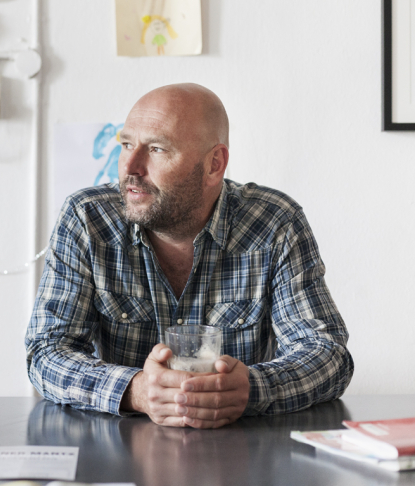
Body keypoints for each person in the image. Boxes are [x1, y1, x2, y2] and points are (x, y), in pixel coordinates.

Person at [25, 83, 353, 429]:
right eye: (126, 145)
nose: (130, 168)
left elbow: (327, 353)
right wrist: (136, 390)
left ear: (214, 164)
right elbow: (45, 352)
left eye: (156, 149)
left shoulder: (274, 223)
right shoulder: (87, 218)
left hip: (242, 453)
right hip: (122, 452)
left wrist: (252, 388)